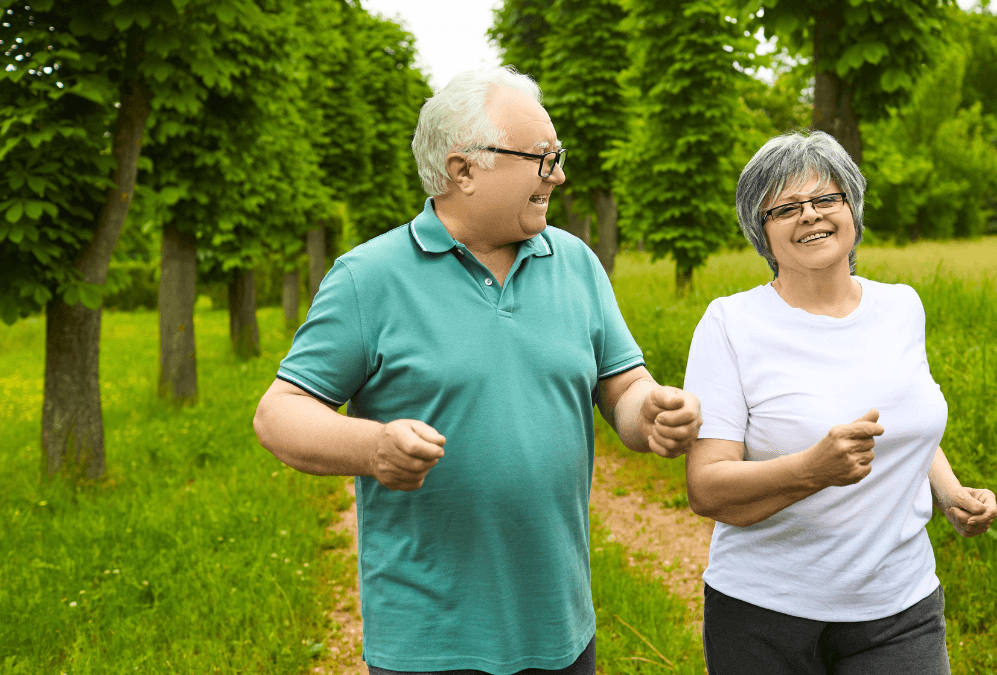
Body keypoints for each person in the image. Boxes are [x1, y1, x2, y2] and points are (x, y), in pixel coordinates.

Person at [252, 67, 701, 675]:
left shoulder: (576, 263)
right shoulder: (368, 277)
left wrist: (650, 412)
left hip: (561, 628)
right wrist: (373, 446)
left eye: (558, 157)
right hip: (428, 640)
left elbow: (622, 387)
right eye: (542, 159)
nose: (558, 176)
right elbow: (279, 414)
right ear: (463, 170)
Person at [683, 131, 997, 674]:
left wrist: (950, 494)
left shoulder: (902, 307)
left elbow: (907, 424)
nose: (810, 214)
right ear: (761, 231)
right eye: (786, 208)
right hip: (765, 615)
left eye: (826, 198)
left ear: (852, 209)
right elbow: (706, 487)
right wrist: (812, 469)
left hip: (901, 607)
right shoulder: (730, 324)